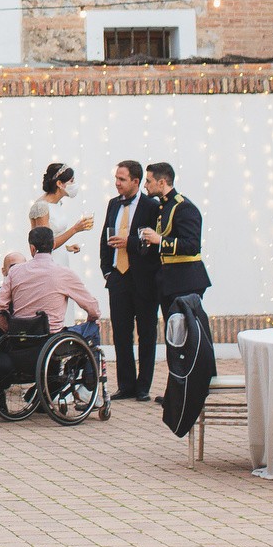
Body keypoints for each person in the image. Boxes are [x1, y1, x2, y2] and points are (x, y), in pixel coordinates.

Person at [99, 161, 160, 401]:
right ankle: (126, 385)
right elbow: (105, 236)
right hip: (118, 277)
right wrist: (107, 270)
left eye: (122, 179)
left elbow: (152, 242)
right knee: (121, 333)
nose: (117, 183)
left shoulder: (151, 206)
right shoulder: (113, 204)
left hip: (143, 278)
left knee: (146, 333)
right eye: (116, 178)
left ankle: (143, 386)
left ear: (136, 181)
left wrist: (130, 243)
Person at [0, 225, 104, 343]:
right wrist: (92, 318)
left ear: (32, 248)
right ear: (53, 245)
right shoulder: (64, 273)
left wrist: (10, 330)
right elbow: (92, 308)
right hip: (52, 340)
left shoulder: (15, 271)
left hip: (21, 339)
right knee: (93, 326)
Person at [139, 162, 209, 317]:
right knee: (173, 335)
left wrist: (160, 240)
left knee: (185, 334)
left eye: (148, 181)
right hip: (168, 281)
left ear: (162, 182)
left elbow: (192, 245)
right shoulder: (164, 206)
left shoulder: (183, 207)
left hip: (185, 282)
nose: (145, 185)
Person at [32, 163, 95, 252]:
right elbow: (44, 246)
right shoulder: (41, 207)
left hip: (61, 258)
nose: (74, 184)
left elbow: (55, 235)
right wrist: (75, 229)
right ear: (59, 184)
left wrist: (67, 248)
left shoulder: (58, 203)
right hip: (50, 263)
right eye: (72, 181)